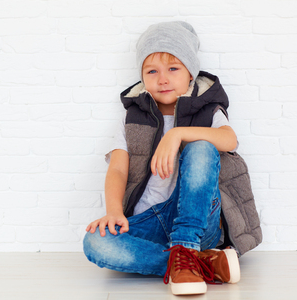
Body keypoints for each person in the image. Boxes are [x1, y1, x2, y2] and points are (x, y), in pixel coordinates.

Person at [83, 21, 262, 296]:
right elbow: (118, 169)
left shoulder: (207, 110)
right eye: (152, 71)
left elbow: (230, 139)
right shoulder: (132, 118)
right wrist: (114, 212)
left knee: (202, 146)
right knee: (96, 242)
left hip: (201, 221)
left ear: (191, 73)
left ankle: (188, 246)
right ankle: (201, 263)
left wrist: (177, 134)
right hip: (152, 219)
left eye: (173, 69)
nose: (162, 79)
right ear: (142, 77)